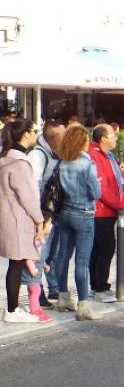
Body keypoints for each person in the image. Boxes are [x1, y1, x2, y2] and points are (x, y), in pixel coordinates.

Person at [0, 119, 49, 323]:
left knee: (16, 263)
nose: (36, 134)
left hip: (7, 216)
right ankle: (12, 310)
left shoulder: (5, 158)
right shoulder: (20, 162)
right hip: (19, 219)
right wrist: (39, 219)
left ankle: (12, 308)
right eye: (34, 131)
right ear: (25, 134)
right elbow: (27, 196)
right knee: (17, 263)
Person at [54, 124, 103, 320]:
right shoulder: (87, 164)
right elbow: (96, 193)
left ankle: (63, 297)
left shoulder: (62, 163)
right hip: (84, 212)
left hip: (65, 211)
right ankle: (84, 305)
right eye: (86, 140)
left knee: (63, 256)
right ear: (81, 142)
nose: (88, 143)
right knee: (82, 261)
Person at [87, 124, 124, 302]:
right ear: (103, 138)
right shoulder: (95, 155)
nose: (116, 138)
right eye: (113, 135)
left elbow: (119, 179)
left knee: (99, 249)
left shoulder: (109, 156)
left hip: (110, 210)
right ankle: (100, 287)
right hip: (101, 211)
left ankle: (96, 285)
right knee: (105, 248)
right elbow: (101, 187)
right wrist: (120, 204)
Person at [26, 118, 66, 306]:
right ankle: (37, 296)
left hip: (53, 213)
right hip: (43, 215)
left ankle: (54, 289)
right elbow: (33, 188)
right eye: (64, 136)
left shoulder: (56, 154)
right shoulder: (38, 156)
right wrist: (38, 219)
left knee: (53, 254)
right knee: (40, 256)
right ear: (55, 137)